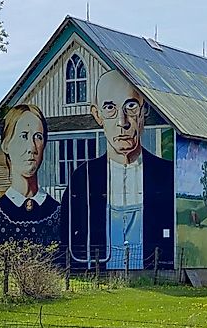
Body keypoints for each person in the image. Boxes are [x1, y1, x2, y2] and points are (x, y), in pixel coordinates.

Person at [60, 70, 174, 270]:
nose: (123, 122)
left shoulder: (167, 176)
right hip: (96, 277)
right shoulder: (83, 178)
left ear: (144, 110)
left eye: (130, 106)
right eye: (110, 108)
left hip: (153, 275)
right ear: (98, 115)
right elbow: (68, 231)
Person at [0, 104, 60, 245]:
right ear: (6, 145)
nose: (31, 147)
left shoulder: (58, 213)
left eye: (38, 137)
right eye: (23, 136)